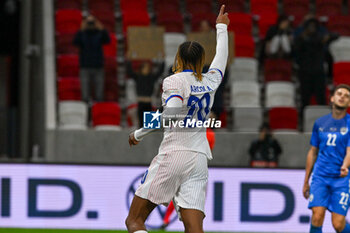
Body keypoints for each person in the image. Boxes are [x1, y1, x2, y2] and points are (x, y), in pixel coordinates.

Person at [125, 5, 230, 233]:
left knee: (134, 221)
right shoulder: (210, 81)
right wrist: (221, 28)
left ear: (178, 58)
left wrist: (138, 133)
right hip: (200, 158)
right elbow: (221, 58)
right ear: (202, 59)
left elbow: (170, 114)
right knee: (194, 229)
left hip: (175, 153)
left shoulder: (174, 81)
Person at [303, 84, 350, 233]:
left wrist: (345, 166)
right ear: (332, 98)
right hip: (320, 177)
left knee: (338, 224)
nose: (342, 97)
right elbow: (313, 152)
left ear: (349, 103)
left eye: (346, 96)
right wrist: (306, 181)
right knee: (317, 216)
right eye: (339, 94)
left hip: (341, 179)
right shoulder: (320, 123)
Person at [73, 15, 110, 103]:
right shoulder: (82, 33)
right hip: (85, 66)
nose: (90, 24)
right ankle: (86, 112)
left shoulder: (99, 33)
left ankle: (98, 110)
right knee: (85, 94)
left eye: (92, 22)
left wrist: (101, 28)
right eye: (89, 22)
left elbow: (107, 40)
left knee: (99, 95)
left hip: (98, 66)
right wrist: (81, 29)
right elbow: (75, 42)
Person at [126, 60, 165, 127]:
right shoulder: (138, 77)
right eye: (145, 67)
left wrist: (162, 60)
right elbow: (129, 71)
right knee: (140, 125)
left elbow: (160, 72)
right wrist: (129, 59)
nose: (147, 69)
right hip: (140, 102)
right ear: (141, 68)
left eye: (148, 68)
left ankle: (150, 136)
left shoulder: (151, 77)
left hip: (149, 102)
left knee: (150, 125)